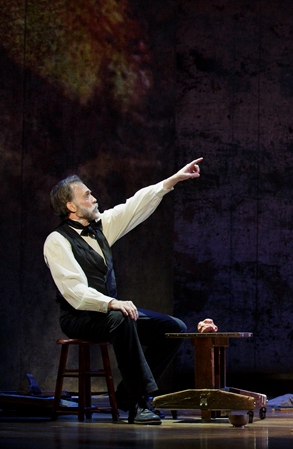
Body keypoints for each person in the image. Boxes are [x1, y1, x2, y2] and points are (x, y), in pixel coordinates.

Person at [44, 158, 203, 424]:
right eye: (87, 195)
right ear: (71, 206)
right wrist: (110, 303)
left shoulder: (100, 229)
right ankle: (140, 403)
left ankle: (126, 396)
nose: (94, 198)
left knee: (173, 328)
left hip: (108, 313)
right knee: (121, 318)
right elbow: (74, 290)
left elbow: (133, 207)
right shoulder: (57, 241)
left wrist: (172, 180)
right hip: (79, 318)